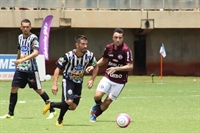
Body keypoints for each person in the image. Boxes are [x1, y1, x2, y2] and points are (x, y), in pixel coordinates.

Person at [0, 19, 56, 119]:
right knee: (13, 88)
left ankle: (52, 110)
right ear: (20, 27)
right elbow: (20, 49)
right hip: (21, 69)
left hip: (31, 70)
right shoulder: (20, 37)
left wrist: (22, 60)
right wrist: (17, 60)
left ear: (30, 27)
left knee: (39, 90)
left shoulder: (33, 38)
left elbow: (35, 52)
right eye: (24, 27)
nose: (25, 29)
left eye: (27, 27)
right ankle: (10, 113)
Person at [42, 35, 99, 126]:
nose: (85, 46)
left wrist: (92, 80)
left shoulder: (89, 55)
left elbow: (96, 67)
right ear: (77, 45)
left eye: (86, 44)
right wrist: (54, 84)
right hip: (68, 80)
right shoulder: (68, 56)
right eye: (83, 44)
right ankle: (60, 120)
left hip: (79, 82)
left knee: (73, 107)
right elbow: (57, 69)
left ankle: (52, 105)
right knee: (69, 101)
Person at [88, 28, 133, 122]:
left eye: (120, 38)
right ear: (113, 38)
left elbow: (130, 66)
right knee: (97, 96)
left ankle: (95, 115)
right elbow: (104, 59)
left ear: (123, 38)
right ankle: (98, 105)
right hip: (108, 77)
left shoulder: (126, 50)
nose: (118, 39)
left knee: (108, 101)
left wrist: (116, 68)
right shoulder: (108, 47)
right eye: (116, 37)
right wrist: (93, 66)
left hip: (120, 81)